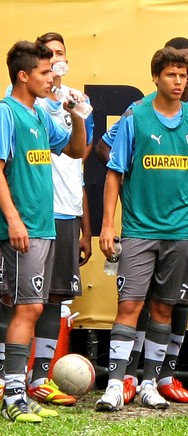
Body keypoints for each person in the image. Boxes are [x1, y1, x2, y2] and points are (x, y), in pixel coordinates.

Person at [94, 38, 188, 404]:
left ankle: (150, 384)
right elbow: (113, 172)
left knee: (165, 308)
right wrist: (108, 225)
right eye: (171, 74)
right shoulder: (135, 116)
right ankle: (114, 384)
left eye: (183, 76)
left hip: (182, 229)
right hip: (140, 228)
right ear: (155, 77)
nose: (178, 82)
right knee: (129, 304)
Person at [0, 40, 86, 423]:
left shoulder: (38, 115)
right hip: (22, 228)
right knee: (27, 306)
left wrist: (78, 114)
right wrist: (14, 219)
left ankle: (18, 392)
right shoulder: (7, 113)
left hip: (44, 227)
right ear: (24, 75)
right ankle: (13, 396)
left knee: (32, 306)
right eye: (44, 72)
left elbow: (76, 150)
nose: (51, 78)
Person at [25, 31, 95, 409]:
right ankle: (12, 377)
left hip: (66, 212)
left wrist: (85, 225)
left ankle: (39, 379)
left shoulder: (78, 101)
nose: (55, 61)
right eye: (48, 55)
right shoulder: (21, 102)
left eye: (60, 54)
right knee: (19, 299)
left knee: (53, 298)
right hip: (31, 212)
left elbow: (78, 159)